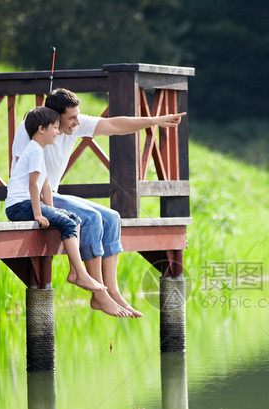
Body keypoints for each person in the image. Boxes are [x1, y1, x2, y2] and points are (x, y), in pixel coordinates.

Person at [12, 88, 186, 318]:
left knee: (112, 217)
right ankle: (98, 294)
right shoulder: (31, 130)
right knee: (91, 218)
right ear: (55, 116)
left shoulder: (74, 123)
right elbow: (24, 173)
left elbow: (114, 125)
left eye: (78, 116)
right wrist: (46, 206)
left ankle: (111, 289)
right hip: (32, 199)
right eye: (72, 117)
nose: (77, 122)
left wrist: (153, 121)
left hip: (52, 193)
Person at [5, 106, 107, 295]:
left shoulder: (39, 151)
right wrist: (39, 213)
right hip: (20, 206)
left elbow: (46, 185)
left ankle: (74, 272)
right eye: (54, 128)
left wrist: (52, 212)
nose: (58, 132)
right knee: (68, 223)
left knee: (73, 218)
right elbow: (33, 185)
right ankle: (82, 274)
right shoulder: (34, 151)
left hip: (28, 205)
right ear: (41, 129)